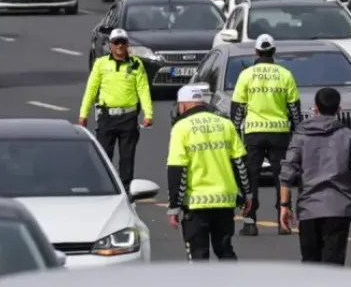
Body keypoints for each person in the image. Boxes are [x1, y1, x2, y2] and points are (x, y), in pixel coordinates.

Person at [278, 88, 351, 265]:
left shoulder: (301, 136)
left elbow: (287, 172)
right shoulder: (348, 136)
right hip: (338, 208)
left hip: (308, 209)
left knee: (311, 264)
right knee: (333, 265)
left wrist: (284, 205)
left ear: (315, 108)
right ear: (338, 109)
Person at [167, 85, 252, 261]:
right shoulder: (225, 124)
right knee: (225, 251)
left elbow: (178, 169)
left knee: (198, 257)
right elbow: (240, 164)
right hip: (225, 201)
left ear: (183, 105)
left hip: (196, 203)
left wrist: (174, 206)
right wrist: (247, 194)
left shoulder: (181, 128)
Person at [231, 33, 302, 236]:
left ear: (256, 51)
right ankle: (283, 221)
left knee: (251, 178)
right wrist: (298, 133)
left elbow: (238, 108)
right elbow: (294, 109)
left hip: (254, 133)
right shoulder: (285, 74)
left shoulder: (246, 75)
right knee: (282, 177)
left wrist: (235, 131)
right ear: (274, 52)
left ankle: (250, 221)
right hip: (279, 133)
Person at [79, 28, 153, 193]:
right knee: (104, 156)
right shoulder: (101, 63)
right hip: (107, 117)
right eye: (116, 43)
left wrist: (148, 113)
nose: (119, 46)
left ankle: (126, 190)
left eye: (123, 42)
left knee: (127, 158)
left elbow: (143, 89)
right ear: (110, 45)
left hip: (129, 117)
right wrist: (83, 114)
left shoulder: (135, 64)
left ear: (127, 44)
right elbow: (91, 90)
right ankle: (104, 188)